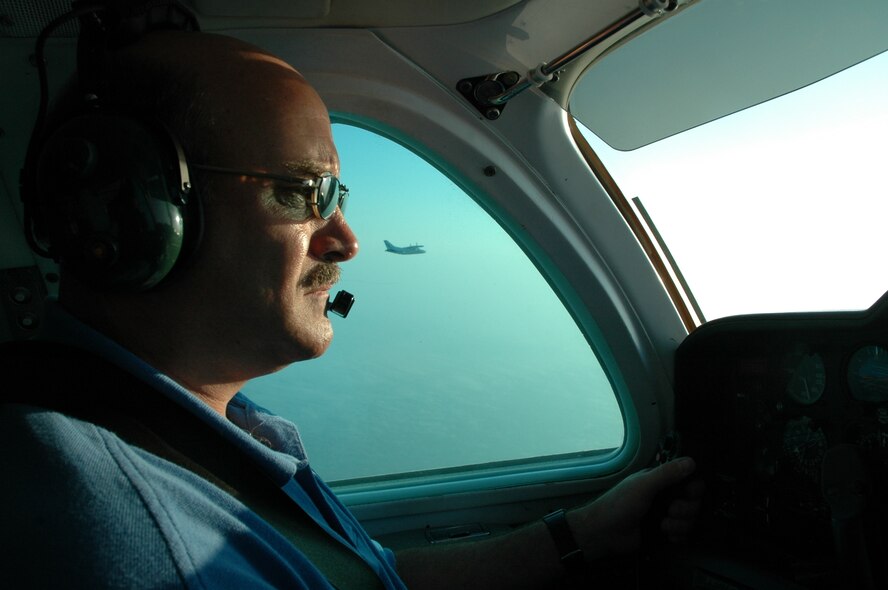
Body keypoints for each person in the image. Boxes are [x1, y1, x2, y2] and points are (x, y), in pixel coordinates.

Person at [0, 26, 702, 589]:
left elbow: (357, 576)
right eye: (304, 192)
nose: (346, 240)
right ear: (142, 210)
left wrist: (581, 536)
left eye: (339, 197)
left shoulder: (191, 428)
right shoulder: (136, 538)